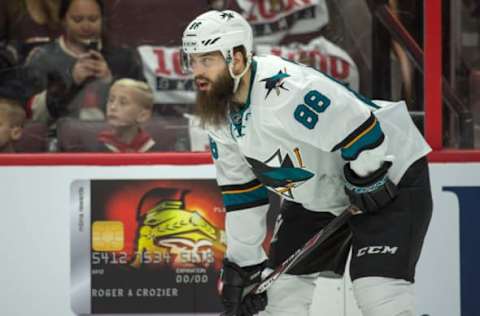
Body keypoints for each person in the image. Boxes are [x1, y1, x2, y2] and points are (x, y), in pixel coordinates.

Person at [181, 10, 432, 316]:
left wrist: (368, 176)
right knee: (279, 295)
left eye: (206, 60)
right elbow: (241, 194)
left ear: (236, 58)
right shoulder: (217, 117)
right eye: (191, 61)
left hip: (389, 169)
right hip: (319, 192)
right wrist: (243, 267)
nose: (197, 71)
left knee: (378, 294)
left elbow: (361, 129)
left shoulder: (285, 88)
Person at [25, 0, 144, 125]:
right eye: (77, 19)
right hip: (57, 138)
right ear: (64, 21)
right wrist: (70, 82)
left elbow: (142, 111)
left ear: (102, 20)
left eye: (93, 19)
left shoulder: (124, 58)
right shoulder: (43, 58)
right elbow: (32, 115)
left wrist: (111, 83)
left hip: (113, 137)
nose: (86, 26)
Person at [96, 78, 155, 153]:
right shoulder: (96, 146)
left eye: (123, 103)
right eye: (111, 100)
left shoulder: (152, 148)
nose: (112, 107)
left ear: (143, 115)